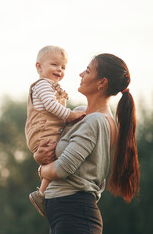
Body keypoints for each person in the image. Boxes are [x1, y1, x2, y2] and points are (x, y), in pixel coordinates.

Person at [34, 53, 140, 233]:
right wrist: (39, 155)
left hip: (75, 215)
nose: (81, 74)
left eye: (88, 71)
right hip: (63, 215)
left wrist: (41, 170)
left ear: (102, 83)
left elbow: (62, 168)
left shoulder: (97, 121)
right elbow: (50, 150)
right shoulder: (82, 114)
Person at [25, 45, 86, 217]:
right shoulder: (43, 85)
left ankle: (43, 193)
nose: (59, 69)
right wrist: (71, 115)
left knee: (56, 156)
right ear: (39, 67)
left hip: (49, 131)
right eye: (54, 65)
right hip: (42, 132)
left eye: (63, 67)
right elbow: (51, 106)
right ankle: (42, 194)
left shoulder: (51, 86)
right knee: (58, 155)